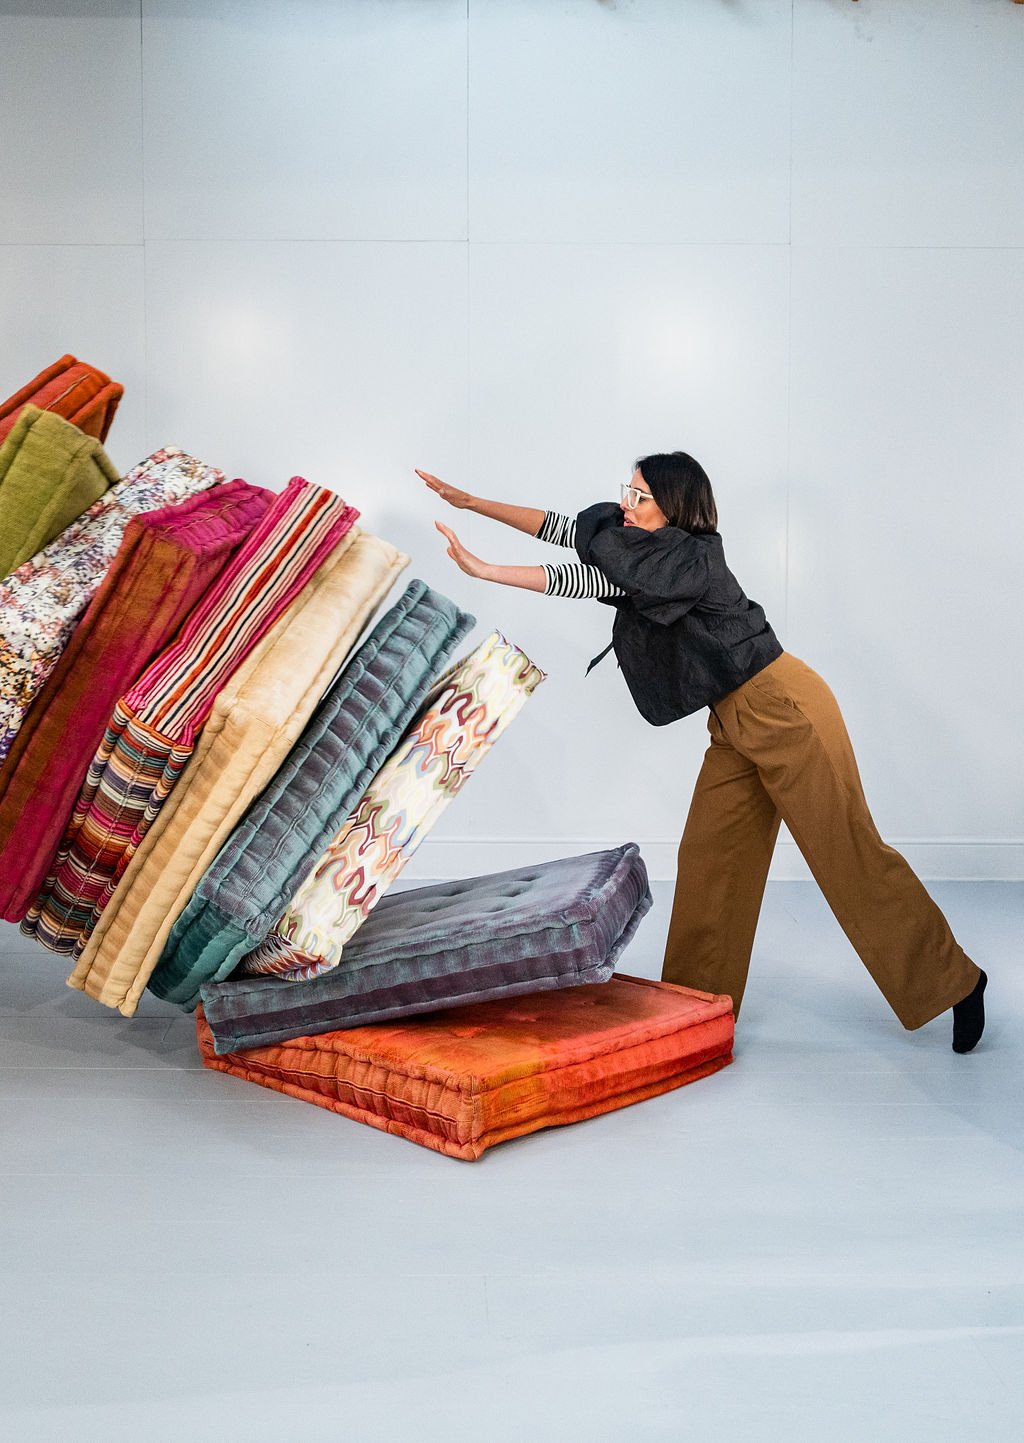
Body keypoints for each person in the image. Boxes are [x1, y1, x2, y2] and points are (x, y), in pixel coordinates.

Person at [416, 453, 987, 1053]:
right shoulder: (643, 552)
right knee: (712, 857)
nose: (626, 506)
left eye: (640, 498)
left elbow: (587, 563)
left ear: (675, 505)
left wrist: (491, 563)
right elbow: (571, 547)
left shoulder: (690, 560)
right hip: (734, 718)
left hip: (784, 707)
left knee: (847, 854)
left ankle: (956, 981)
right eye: (626, 493)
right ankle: (696, 1016)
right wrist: (475, 513)